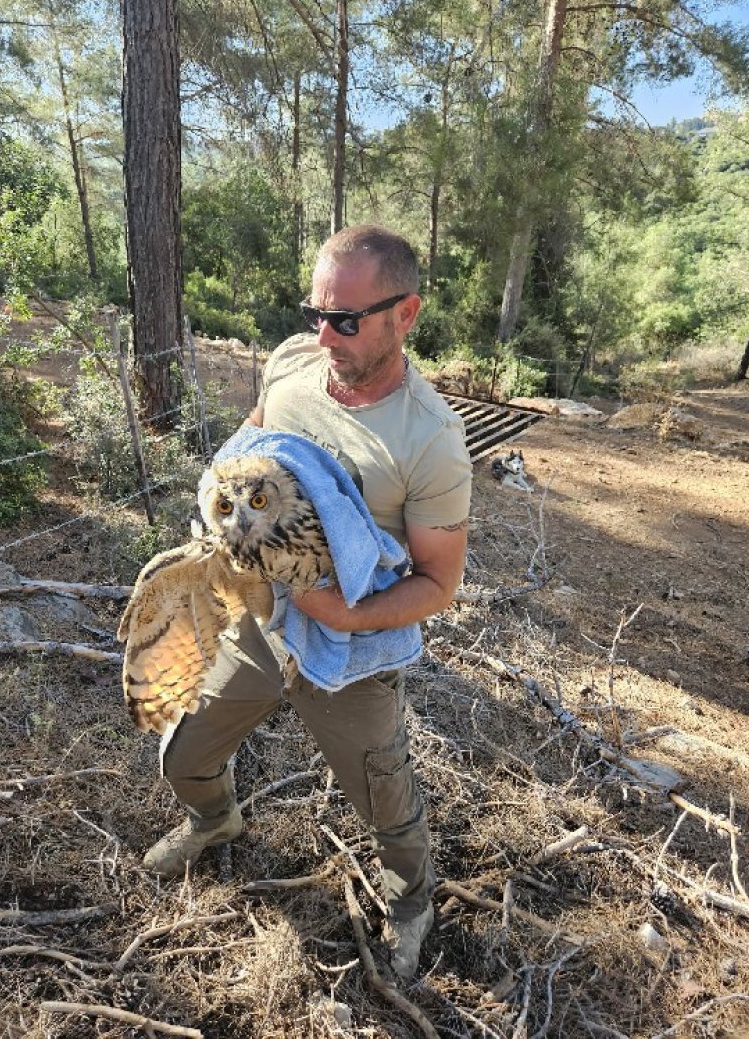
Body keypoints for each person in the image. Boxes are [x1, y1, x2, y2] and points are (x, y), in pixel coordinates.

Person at [143, 224, 473, 981]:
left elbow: (439, 584)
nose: (324, 335)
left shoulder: (429, 442)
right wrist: (219, 500)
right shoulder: (293, 368)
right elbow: (245, 448)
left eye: (347, 320)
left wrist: (345, 614)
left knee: (385, 797)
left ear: (406, 315)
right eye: (315, 312)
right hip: (263, 619)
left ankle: (414, 901)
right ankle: (212, 817)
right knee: (185, 751)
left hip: (348, 647)